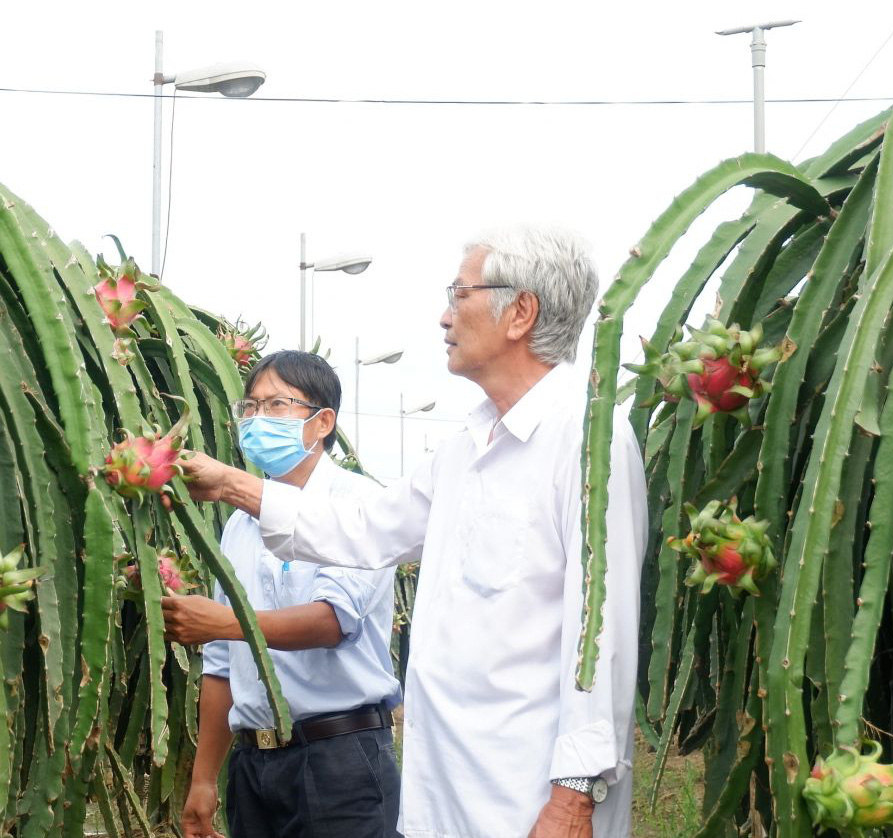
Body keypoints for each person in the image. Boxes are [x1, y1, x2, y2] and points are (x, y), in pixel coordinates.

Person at [181, 224, 646, 838]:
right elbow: (363, 530)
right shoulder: (463, 450)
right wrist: (231, 485)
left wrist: (576, 792)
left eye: (461, 295)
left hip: (530, 796)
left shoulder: (588, 438)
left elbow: (602, 631)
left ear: (521, 313)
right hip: (444, 791)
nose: (444, 317)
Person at [163, 350, 402, 838]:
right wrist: (204, 779)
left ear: (322, 423)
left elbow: (331, 622)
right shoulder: (237, 526)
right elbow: (222, 665)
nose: (256, 419)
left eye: (276, 405)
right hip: (253, 765)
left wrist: (225, 623)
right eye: (249, 407)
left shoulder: (358, 507)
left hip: (341, 759)